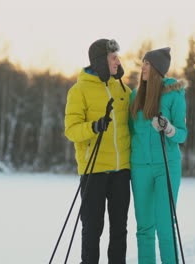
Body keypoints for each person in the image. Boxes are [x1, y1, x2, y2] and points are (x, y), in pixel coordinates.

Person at [64, 39, 132, 264]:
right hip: (93, 170)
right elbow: (71, 130)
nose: (118, 62)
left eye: (118, 57)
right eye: (114, 58)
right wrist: (94, 127)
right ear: (102, 61)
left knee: (120, 230)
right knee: (92, 230)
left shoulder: (123, 90)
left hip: (121, 171)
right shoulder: (78, 90)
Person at [129, 47, 188, 264]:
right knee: (144, 227)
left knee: (164, 224)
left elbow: (182, 134)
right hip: (140, 167)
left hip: (166, 165)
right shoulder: (136, 96)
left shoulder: (174, 94)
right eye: (143, 62)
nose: (143, 67)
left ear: (157, 69)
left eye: (147, 63)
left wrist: (169, 129)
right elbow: (130, 131)